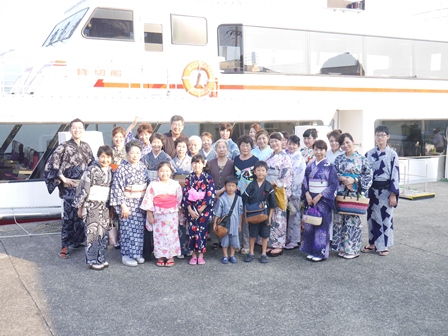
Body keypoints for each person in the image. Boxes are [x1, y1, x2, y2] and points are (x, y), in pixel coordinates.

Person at [44, 118, 94, 259]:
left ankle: (78, 241)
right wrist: (63, 179)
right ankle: (65, 245)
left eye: (80, 128)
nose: (77, 130)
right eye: (74, 127)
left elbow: (92, 164)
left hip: (83, 187)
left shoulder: (86, 147)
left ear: (83, 130)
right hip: (70, 188)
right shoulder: (63, 147)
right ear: (70, 130)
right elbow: (50, 164)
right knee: (69, 217)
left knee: (82, 215)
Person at [332, 133, 373, 259]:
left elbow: (368, 175)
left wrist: (354, 180)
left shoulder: (361, 159)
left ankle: (352, 249)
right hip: (341, 192)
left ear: (353, 141)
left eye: (347, 142)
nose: (345, 145)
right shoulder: (339, 159)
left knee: (353, 221)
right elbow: (333, 173)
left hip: (354, 193)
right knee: (340, 220)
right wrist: (340, 177)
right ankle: (342, 248)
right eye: (343, 144)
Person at [73, 145, 113, 270]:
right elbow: (83, 189)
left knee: (103, 233)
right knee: (92, 233)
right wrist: (80, 207)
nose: (105, 160)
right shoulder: (91, 170)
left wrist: (111, 208)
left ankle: (101, 258)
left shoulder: (111, 171)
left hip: (104, 205)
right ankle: (92, 260)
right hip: (91, 204)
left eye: (107, 157)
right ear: (98, 156)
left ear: (111, 158)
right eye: (102, 157)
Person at [110, 140, 149, 267]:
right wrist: (122, 206)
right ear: (127, 154)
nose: (135, 155)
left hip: (140, 202)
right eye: (132, 153)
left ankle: (136, 253)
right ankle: (126, 255)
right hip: (127, 203)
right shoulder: (121, 168)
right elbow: (117, 188)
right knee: (127, 229)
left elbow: (147, 184)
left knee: (138, 230)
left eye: (137, 153)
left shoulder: (143, 167)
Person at [363, 125, 400, 256]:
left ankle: (383, 245)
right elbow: (364, 173)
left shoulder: (392, 154)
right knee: (371, 218)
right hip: (372, 190)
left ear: (388, 137)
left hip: (386, 190)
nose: (380, 137)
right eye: (377, 135)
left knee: (385, 217)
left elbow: (395, 175)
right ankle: (372, 243)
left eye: (382, 135)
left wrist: (393, 194)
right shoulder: (369, 154)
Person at [300, 140, 339, 262]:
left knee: (322, 226)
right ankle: (311, 250)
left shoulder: (330, 166)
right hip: (310, 198)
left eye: (321, 149)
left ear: (325, 151)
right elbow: (305, 182)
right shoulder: (310, 165)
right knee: (310, 225)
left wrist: (320, 195)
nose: (318, 152)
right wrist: (307, 194)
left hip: (323, 200)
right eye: (316, 149)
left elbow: (333, 184)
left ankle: (320, 253)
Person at [141, 162, 182, 267]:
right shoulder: (153, 185)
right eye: (162, 171)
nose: (164, 173)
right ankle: (160, 256)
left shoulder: (175, 185)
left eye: (167, 171)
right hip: (158, 214)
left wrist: (179, 215)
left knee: (171, 235)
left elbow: (179, 201)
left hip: (171, 214)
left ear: (171, 172)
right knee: (159, 236)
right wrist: (150, 215)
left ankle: (170, 256)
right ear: (158, 172)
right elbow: (149, 201)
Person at [182, 154, 215, 265]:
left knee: (202, 232)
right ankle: (193, 255)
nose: (197, 165)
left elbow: (211, 194)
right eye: (195, 163)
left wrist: (203, 208)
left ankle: (201, 255)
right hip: (191, 208)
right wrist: (190, 209)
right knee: (192, 232)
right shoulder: (189, 178)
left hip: (203, 209)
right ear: (191, 164)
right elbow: (185, 194)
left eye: (199, 163)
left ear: (203, 164)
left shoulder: (208, 178)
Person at [263, 132, 293, 257]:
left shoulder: (285, 157)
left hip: (278, 190)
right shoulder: (269, 156)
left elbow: (287, 175)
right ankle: (269, 242)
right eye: (272, 141)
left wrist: (276, 183)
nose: (274, 143)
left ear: (282, 142)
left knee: (278, 217)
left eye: (277, 141)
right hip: (268, 188)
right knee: (269, 216)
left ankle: (278, 244)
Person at [242, 160, 277, 263]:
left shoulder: (268, 186)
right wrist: (246, 216)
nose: (260, 172)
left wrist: (270, 217)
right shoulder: (251, 185)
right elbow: (245, 202)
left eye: (263, 170)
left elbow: (272, 203)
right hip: (252, 214)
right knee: (252, 234)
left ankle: (263, 253)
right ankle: (251, 252)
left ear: (266, 172)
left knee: (265, 235)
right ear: (254, 172)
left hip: (265, 214)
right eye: (258, 170)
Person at [233, 135, 258, 255]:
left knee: (247, 219)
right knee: (237, 218)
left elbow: (258, 178)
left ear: (251, 146)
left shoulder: (255, 160)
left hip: (250, 193)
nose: (244, 147)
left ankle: (246, 245)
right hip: (237, 193)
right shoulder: (236, 159)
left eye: (247, 145)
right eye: (242, 145)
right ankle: (237, 243)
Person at [209, 139, 235, 250]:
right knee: (213, 216)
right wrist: (214, 192)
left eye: (224, 147)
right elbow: (209, 178)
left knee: (225, 215)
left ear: (227, 149)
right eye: (219, 147)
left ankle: (224, 239)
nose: (221, 149)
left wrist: (222, 191)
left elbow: (232, 179)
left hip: (227, 192)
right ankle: (215, 240)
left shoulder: (231, 163)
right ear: (216, 150)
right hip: (213, 193)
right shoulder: (211, 163)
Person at [213, 176, 243, 264]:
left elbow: (240, 212)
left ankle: (232, 255)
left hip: (235, 222)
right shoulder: (222, 198)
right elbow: (217, 212)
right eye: (229, 185)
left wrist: (240, 224)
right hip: (224, 223)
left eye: (233, 186)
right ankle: (225, 255)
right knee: (225, 238)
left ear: (236, 187)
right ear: (225, 186)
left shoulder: (239, 199)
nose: (230, 188)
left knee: (234, 238)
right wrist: (215, 223)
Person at [172, 136, 192, 258]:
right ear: (175, 148)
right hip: (175, 193)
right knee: (178, 221)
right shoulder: (171, 161)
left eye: (183, 146)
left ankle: (188, 248)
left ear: (187, 148)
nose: (181, 149)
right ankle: (178, 248)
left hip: (189, 193)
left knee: (188, 221)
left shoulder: (191, 160)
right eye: (179, 146)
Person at [285, 135, 306, 250]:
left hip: (294, 191)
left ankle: (295, 239)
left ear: (298, 146)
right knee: (289, 215)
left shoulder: (299, 158)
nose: (291, 146)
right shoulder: (287, 155)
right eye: (290, 144)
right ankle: (290, 237)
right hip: (286, 190)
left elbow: (298, 176)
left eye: (294, 144)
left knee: (295, 215)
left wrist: (291, 190)